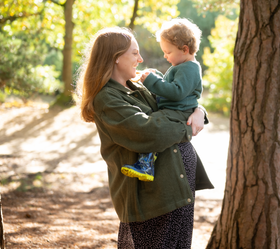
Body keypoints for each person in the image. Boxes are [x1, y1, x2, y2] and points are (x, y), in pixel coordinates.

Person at [76, 26, 213, 248]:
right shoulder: (107, 99)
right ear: (116, 58)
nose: (140, 59)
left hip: (177, 188)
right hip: (153, 199)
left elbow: (179, 102)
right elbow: (150, 133)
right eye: (134, 53)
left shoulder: (137, 87)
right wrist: (188, 128)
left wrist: (200, 111)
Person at [121, 18, 203, 183]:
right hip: (174, 111)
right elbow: (172, 86)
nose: (165, 56)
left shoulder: (189, 68)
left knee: (153, 127)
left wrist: (152, 81)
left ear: (185, 49)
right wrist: (157, 76)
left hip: (178, 113)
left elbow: (177, 92)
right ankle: (147, 161)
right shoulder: (182, 66)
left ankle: (146, 164)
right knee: (154, 126)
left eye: (168, 52)